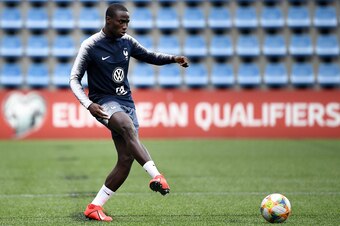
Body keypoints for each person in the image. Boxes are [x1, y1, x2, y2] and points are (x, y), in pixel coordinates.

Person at [69, 3, 189, 222]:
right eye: (121, 22)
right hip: (103, 102)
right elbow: (74, 79)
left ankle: (94, 207)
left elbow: (150, 55)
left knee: (125, 159)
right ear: (108, 20)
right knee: (126, 127)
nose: (125, 26)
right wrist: (88, 104)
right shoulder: (91, 45)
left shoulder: (127, 42)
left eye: (127, 22)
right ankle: (157, 176)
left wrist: (174, 58)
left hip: (127, 102)